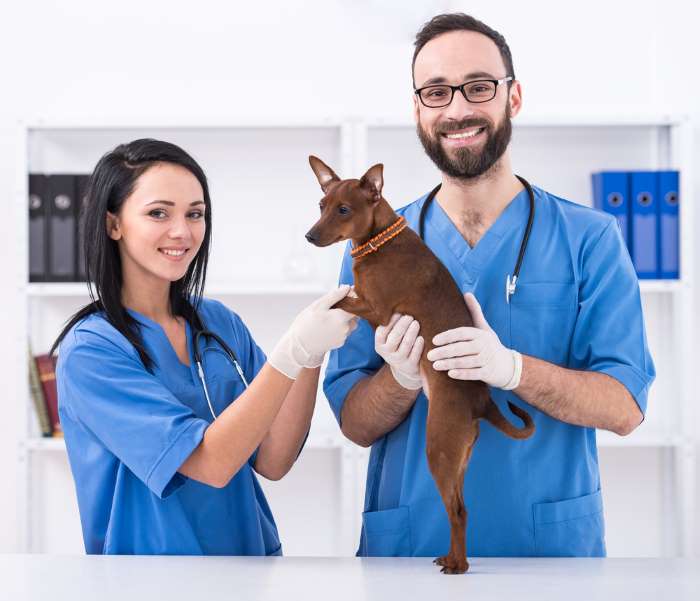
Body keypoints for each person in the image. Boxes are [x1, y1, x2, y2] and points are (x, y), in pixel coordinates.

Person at [324, 13, 655, 557]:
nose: (457, 110)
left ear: (513, 97)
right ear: (417, 110)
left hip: (548, 555)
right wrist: (402, 380)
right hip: (410, 554)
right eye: (436, 92)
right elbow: (356, 423)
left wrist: (514, 371)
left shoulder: (590, 238)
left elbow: (625, 407)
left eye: (478, 87)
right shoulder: (371, 244)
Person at [53, 138, 356, 555]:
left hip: (246, 572)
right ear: (114, 224)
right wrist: (292, 350)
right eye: (158, 213)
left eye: (195, 214)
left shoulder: (217, 323)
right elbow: (211, 465)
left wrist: (310, 356)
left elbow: (274, 459)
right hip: (147, 583)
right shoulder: (92, 352)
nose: (182, 231)